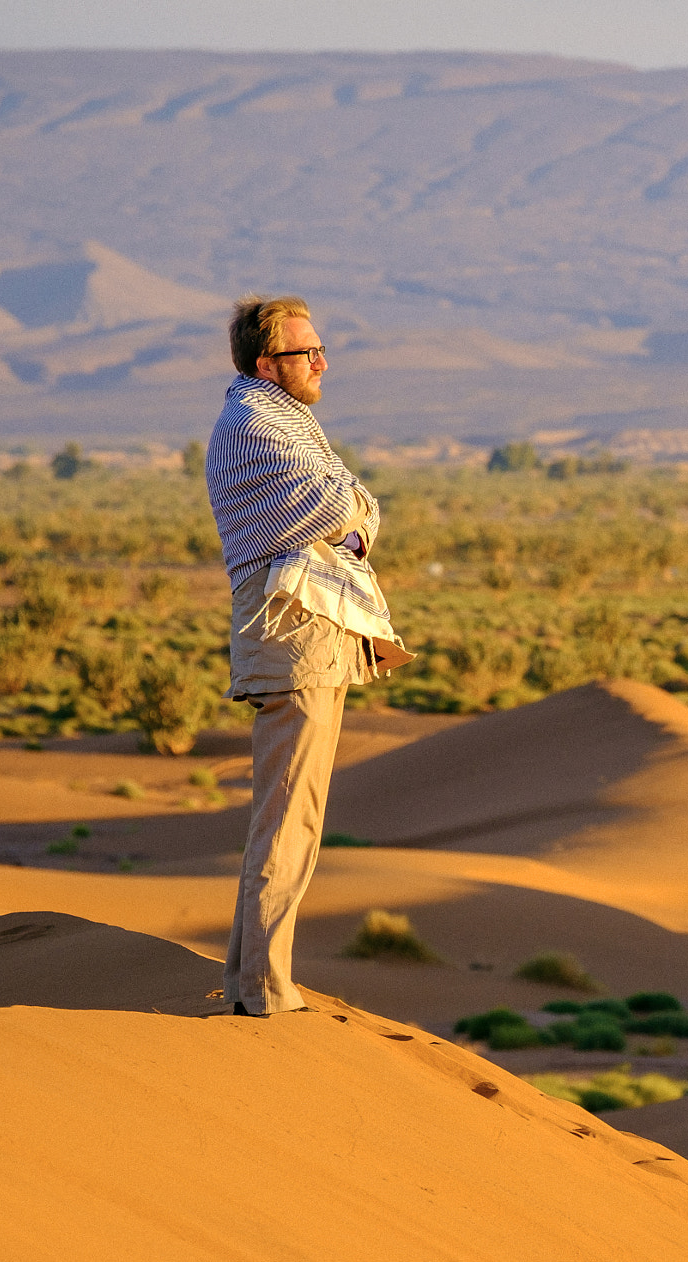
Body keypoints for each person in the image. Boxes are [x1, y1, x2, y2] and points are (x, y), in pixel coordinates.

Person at [205, 296, 412, 1017]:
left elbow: (362, 509)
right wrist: (347, 507)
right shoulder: (255, 422)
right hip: (291, 636)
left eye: (322, 349)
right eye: (305, 353)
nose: (321, 362)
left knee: (291, 816)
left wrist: (349, 506)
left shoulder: (287, 419)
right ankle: (266, 989)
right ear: (268, 364)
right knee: (288, 818)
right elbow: (339, 505)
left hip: (309, 634)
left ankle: (248, 981)